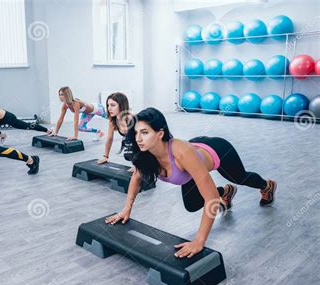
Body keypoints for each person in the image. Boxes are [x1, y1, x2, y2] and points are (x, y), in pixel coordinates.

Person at [106, 108, 277, 258]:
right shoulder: (145, 154)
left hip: (217, 150)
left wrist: (198, 241)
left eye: (144, 132)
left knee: (241, 178)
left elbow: (211, 199)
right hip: (193, 154)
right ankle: (225, 192)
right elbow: (136, 179)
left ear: (160, 133)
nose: (138, 138)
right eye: (136, 133)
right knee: (192, 205)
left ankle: (266, 186)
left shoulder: (181, 153)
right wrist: (126, 210)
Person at [96, 92, 135, 172]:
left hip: (148, 143)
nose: (109, 108)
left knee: (130, 152)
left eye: (113, 105)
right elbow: (109, 139)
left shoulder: (131, 119)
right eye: (108, 105)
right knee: (127, 154)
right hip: (133, 141)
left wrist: (138, 165)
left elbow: (143, 142)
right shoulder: (113, 121)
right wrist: (105, 156)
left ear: (121, 105)